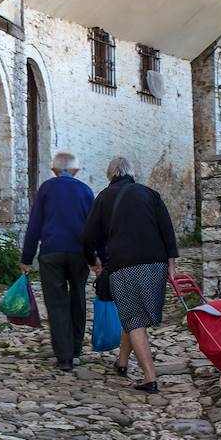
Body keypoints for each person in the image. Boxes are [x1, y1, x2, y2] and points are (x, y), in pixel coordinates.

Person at [82, 156, 178, 393]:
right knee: (130, 311)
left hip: (124, 265)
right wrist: (171, 264)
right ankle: (122, 362)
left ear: (110, 175)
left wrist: (93, 261)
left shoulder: (104, 198)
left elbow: (86, 237)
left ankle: (149, 376)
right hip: (155, 264)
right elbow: (167, 229)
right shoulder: (149, 193)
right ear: (131, 173)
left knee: (133, 317)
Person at [19, 151, 96, 372]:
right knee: (78, 296)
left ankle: (64, 357)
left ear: (54, 170)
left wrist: (26, 258)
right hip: (79, 253)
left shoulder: (46, 189)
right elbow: (93, 226)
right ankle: (76, 346)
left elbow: (34, 225)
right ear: (76, 171)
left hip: (51, 253)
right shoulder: (84, 190)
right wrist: (97, 257)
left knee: (56, 302)